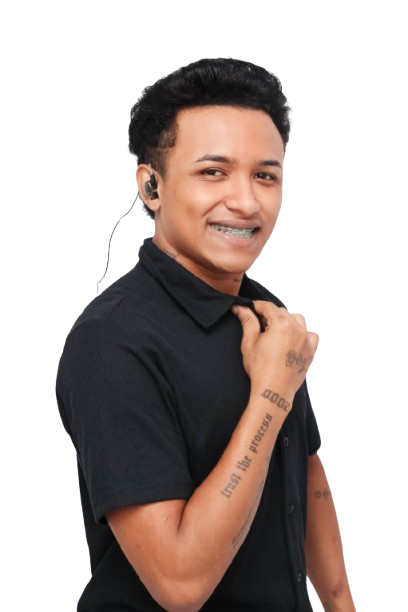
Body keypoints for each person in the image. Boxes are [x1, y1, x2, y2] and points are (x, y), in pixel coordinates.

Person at [55, 57, 356, 611]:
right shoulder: (110, 342)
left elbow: (306, 476)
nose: (246, 202)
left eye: (265, 175)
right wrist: (271, 393)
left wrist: (340, 604)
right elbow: (180, 585)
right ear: (151, 185)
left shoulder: (268, 312)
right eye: (213, 172)